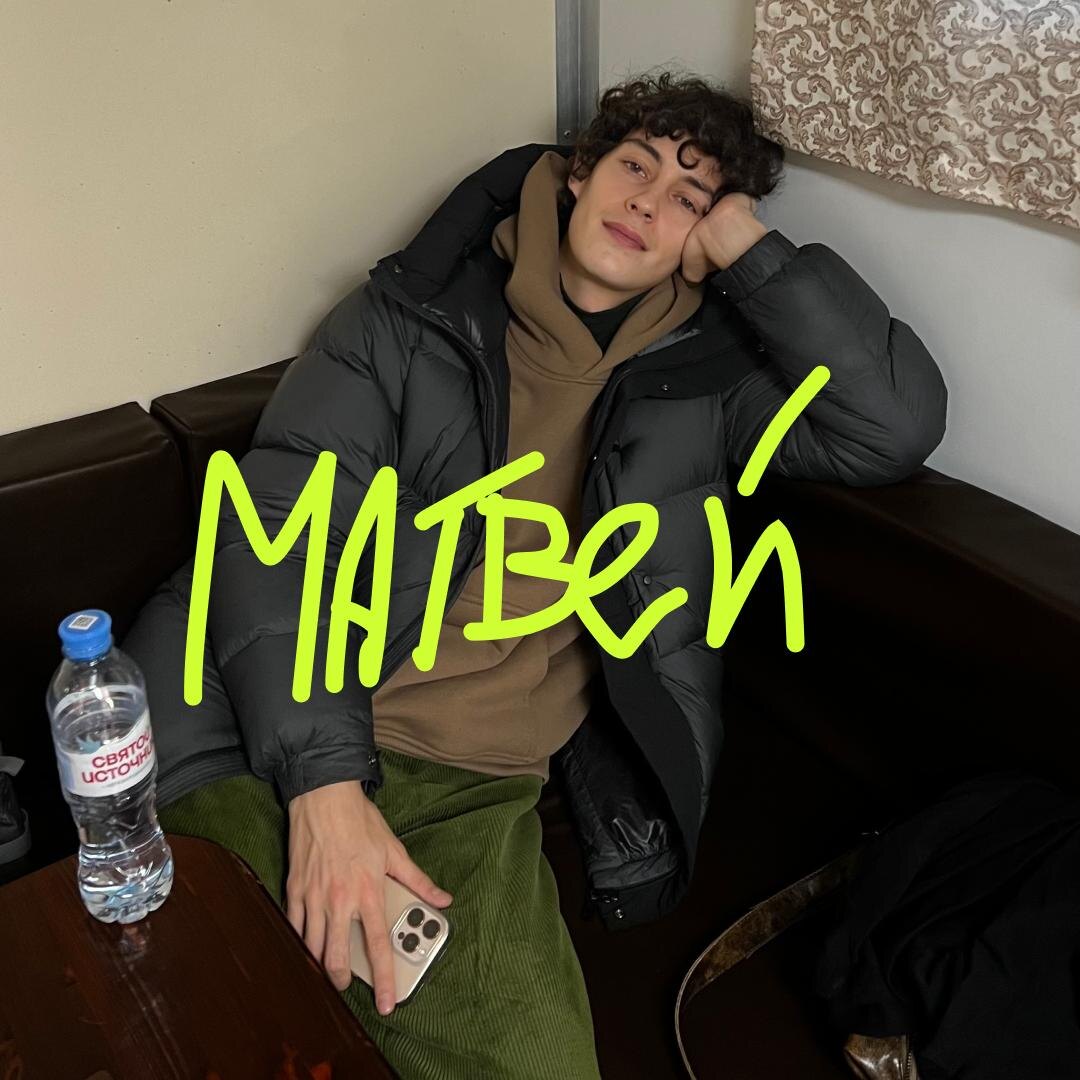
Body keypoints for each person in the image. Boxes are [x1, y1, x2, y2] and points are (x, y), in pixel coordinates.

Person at [123, 71, 948, 1079]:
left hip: (478, 781)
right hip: (248, 723)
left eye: (690, 195)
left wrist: (749, 247)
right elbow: (275, 536)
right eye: (635, 165)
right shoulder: (404, 317)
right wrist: (325, 791)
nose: (649, 201)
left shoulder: (713, 384)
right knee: (229, 1027)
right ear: (576, 174)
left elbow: (893, 425)